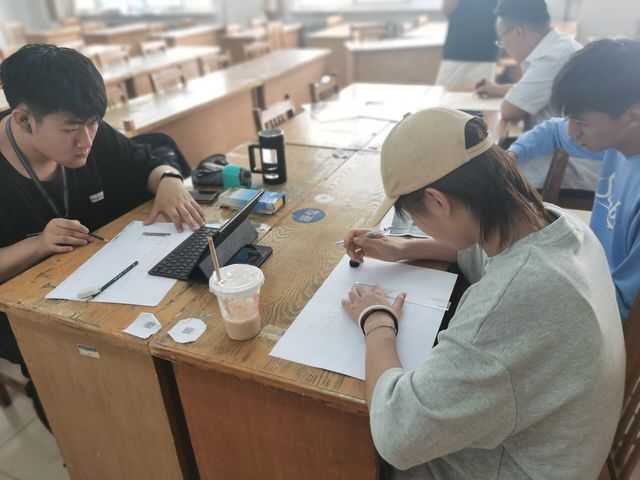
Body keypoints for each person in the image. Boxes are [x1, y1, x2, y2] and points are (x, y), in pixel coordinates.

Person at [341, 107, 624, 479]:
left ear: (438, 201)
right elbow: (483, 252)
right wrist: (403, 247)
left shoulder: (515, 299)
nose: (417, 225)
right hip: (558, 445)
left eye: (415, 216)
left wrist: (376, 321)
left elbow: (395, 435)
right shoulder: (558, 224)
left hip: (517, 468)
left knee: (345, 439)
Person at [0, 44, 206, 428]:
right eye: (70, 129)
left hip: (102, 278)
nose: (86, 140)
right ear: (24, 120)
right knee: (73, 380)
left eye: (93, 124)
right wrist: (37, 244)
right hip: (25, 310)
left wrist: (169, 181)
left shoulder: (87, 127)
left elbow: (147, 163)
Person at [509, 38, 640, 322]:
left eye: (580, 123)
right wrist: (510, 156)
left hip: (602, 309)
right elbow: (552, 132)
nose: (571, 132)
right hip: (590, 270)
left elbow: (625, 311)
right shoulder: (619, 140)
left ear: (633, 116)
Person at [475, 0, 598, 190]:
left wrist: (508, 94)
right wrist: (501, 89)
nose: (503, 47)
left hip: (567, 167)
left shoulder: (552, 58)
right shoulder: (560, 45)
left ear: (518, 32)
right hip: (559, 151)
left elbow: (510, 110)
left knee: (479, 177)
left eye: (501, 39)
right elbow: (540, 90)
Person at [435, 0, 499, 90]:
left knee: (481, 95)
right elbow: (445, 11)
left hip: (485, 51)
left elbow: (506, 11)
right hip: (456, 50)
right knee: (443, 94)